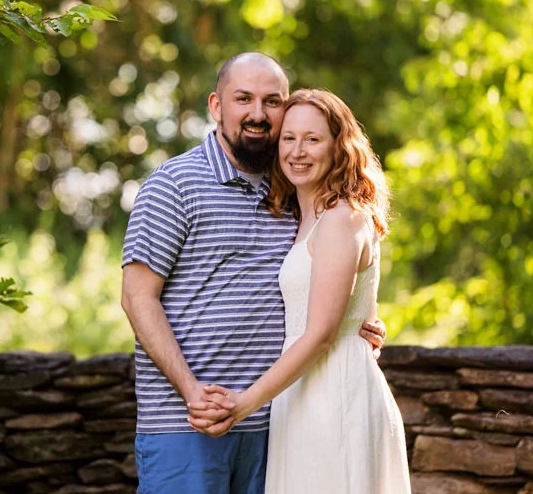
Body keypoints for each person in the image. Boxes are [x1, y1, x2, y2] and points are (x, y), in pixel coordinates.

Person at [120, 54, 386, 494]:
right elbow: (136, 298)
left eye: (272, 101)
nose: (258, 114)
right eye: (243, 99)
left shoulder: (292, 191)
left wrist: (360, 324)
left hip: (276, 425)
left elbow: (321, 288)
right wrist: (192, 392)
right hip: (187, 424)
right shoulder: (174, 184)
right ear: (216, 105)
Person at [190, 89, 411, 493]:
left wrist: (243, 404)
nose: (298, 151)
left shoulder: (342, 218)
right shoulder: (301, 216)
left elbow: (323, 334)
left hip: (334, 395)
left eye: (313, 139)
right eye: (289, 138)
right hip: (301, 395)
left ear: (338, 146)